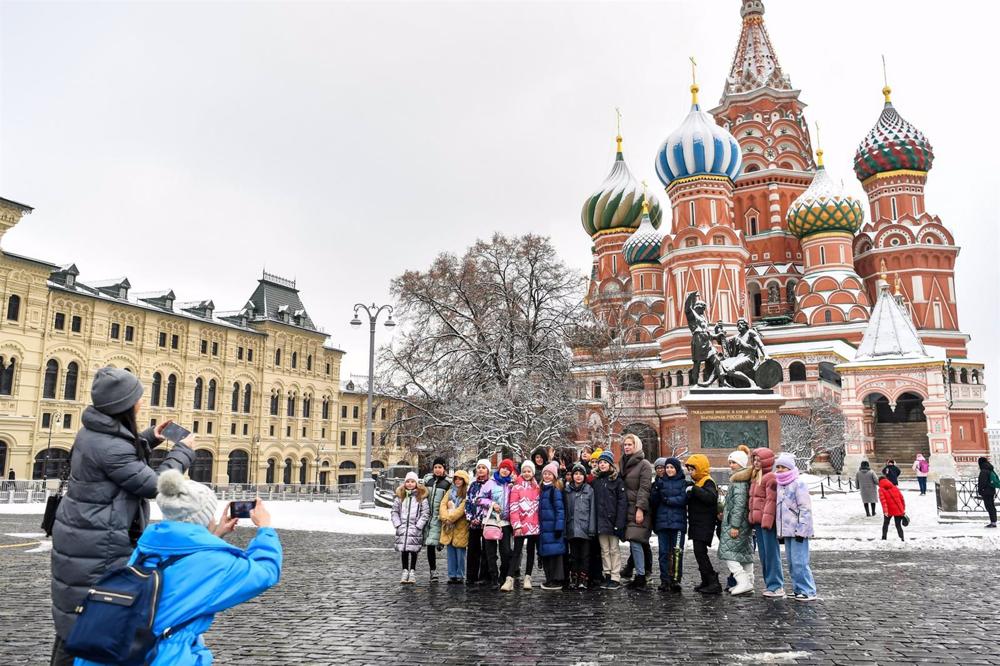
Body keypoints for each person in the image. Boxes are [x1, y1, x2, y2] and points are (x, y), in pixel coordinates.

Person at [50, 367, 195, 666]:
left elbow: (120, 455)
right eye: (137, 398)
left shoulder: (94, 431)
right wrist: (183, 452)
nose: (141, 403)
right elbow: (156, 485)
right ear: (123, 405)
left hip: (84, 534)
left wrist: (149, 438)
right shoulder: (112, 447)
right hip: (98, 544)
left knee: (74, 617)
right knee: (88, 621)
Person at [72, 470, 281, 665]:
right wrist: (265, 528)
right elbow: (265, 572)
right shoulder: (215, 563)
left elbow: (181, 562)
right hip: (163, 656)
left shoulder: (147, 547)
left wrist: (214, 535)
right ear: (205, 516)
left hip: (112, 651)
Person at [774, 452, 817, 601]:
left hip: (798, 531)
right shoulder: (780, 485)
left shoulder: (799, 484)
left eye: (783, 467)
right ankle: (798, 588)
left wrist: (802, 530)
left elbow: (805, 508)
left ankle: (808, 590)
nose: (779, 469)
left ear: (790, 468)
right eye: (778, 466)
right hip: (787, 531)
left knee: (800, 561)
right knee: (792, 562)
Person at [719, 446, 754, 596]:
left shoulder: (739, 481)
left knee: (728, 553)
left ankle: (742, 580)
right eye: (730, 462)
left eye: (734, 462)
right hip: (740, 522)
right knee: (744, 552)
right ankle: (749, 581)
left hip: (736, 524)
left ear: (742, 464)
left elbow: (739, 505)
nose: (731, 465)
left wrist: (734, 525)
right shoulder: (740, 479)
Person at [749, 447, 783, 598]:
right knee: (764, 555)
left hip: (766, 523)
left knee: (771, 554)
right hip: (758, 522)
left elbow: (771, 501)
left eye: (759, 460)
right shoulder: (756, 477)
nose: (756, 463)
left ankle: (776, 586)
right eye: (755, 460)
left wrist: (766, 521)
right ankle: (770, 584)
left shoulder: (770, 478)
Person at [650, 456, 687, 592]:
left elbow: (683, 499)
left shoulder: (683, 483)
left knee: (677, 553)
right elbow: (653, 502)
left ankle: (675, 579)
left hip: (678, 524)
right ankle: (664, 579)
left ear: (676, 469)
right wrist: (655, 490)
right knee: (663, 553)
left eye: (672, 467)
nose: (669, 470)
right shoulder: (660, 482)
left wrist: (668, 500)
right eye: (667, 467)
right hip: (663, 523)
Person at [620, 434, 653, 590]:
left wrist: (640, 509)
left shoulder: (644, 464)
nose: (627, 447)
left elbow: (645, 488)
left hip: (639, 508)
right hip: (626, 507)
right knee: (636, 541)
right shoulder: (623, 462)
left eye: (630, 445)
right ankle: (641, 572)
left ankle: (640, 576)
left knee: (635, 540)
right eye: (625, 444)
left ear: (636, 446)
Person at [685, 454, 720, 594]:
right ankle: (706, 580)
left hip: (704, 524)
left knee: (701, 552)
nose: (690, 472)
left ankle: (712, 580)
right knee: (699, 553)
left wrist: (694, 490)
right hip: (697, 523)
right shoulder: (698, 483)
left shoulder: (708, 482)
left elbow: (710, 498)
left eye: (692, 470)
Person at [591, 450, 626, 590]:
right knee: (604, 549)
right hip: (600, 521)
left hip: (613, 521)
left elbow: (622, 503)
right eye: (600, 463)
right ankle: (607, 573)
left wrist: (619, 522)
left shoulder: (617, 481)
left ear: (610, 464)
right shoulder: (596, 482)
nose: (602, 465)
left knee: (614, 549)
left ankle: (615, 576)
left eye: (605, 462)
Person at [391, 471, 430, 584]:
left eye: (412, 481)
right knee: (404, 550)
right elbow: (394, 512)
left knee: (413, 550)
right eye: (408, 481)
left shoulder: (421, 498)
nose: (410, 484)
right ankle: (404, 571)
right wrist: (397, 524)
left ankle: (412, 571)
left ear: (416, 483)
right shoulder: (400, 497)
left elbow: (425, 513)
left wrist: (419, 525)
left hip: (414, 528)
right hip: (403, 528)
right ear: (404, 483)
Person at [483, 459, 516, 591]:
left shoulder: (511, 484)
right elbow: (479, 499)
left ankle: (503, 576)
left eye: (508, 469)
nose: (504, 470)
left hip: (506, 522)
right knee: (490, 552)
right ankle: (494, 578)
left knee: (506, 552)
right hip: (491, 521)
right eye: (503, 468)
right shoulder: (490, 483)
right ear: (499, 468)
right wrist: (491, 504)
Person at [563, 463, 597, 590]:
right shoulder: (567, 491)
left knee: (585, 555)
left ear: (584, 476)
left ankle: (584, 578)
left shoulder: (589, 490)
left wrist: (592, 529)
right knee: (574, 555)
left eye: (580, 474)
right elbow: (566, 511)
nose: (578, 477)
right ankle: (574, 577)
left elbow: (592, 510)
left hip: (585, 528)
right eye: (575, 474)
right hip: (572, 528)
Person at [509, 460, 541, 589]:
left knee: (530, 552)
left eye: (529, 471)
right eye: (524, 471)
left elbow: (538, 507)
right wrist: (516, 525)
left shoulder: (537, 487)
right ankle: (509, 577)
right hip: (520, 525)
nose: (527, 473)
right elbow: (513, 507)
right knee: (516, 551)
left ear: (533, 472)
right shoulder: (517, 487)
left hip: (533, 524)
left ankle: (528, 576)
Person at [422, 456, 452, 581]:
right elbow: (422, 495)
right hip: (430, 518)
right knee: (430, 545)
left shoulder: (448, 483)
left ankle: (453, 570)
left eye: (440, 467)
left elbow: (450, 500)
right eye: (435, 467)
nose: (437, 470)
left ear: (444, 468)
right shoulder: (427, 481)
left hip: (441, 518)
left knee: (442, 542)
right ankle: (433, 570)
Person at [537, 461, 566, 591]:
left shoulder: (555, 490)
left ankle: (556, 579)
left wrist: (559, 527)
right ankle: (549, 578)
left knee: (556, 555)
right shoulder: (542, 489)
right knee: (547, 555)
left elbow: (560, 509)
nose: (547, 476)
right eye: (545, 474)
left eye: (550, 474)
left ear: (554, 476)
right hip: (544, 529)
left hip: (553, 528)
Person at [464, 459, 493, 586]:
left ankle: (485, 576)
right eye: (479, 467)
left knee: (487, 550)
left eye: (483, 467)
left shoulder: (492, 484)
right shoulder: (473, 485)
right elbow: (468, 502)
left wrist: (482, 519)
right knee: (473, 550)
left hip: (486, 522)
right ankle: (471, 575)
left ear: (488, 470)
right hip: (473, 523)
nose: (480, 469)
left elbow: (491, 503)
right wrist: (471, 517)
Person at [439, 470, 470, 584]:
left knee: (460, 552)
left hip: (460, 526)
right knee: (451, 551)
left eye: (460, 479)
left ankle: (460, 574)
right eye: (456, 479)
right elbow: (442, 504)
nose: (458, 481)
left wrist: (449, 518)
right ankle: (452, 574)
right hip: (449, 527)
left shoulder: (466, 493)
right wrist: (445, 517)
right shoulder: (450, 491)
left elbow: (461, 509)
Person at [878, 474, 906, 541]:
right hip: (898, 509)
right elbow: (902, 498)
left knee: (886, 524)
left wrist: (885, 511)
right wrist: (903, 509)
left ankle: (884, 538)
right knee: (898, 525)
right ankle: (902, 538)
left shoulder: (881, 489)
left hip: (889, 510)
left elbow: (883, 501)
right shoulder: (895, 487)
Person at [978, 457, 998, 528]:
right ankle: (994, 521)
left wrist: (980, 490)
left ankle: (993, 523)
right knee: (992, 506)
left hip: (986, 492)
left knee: (989, 507)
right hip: (991, 491)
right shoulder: (990, 469)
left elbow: (982, 482)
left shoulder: (983, 471)